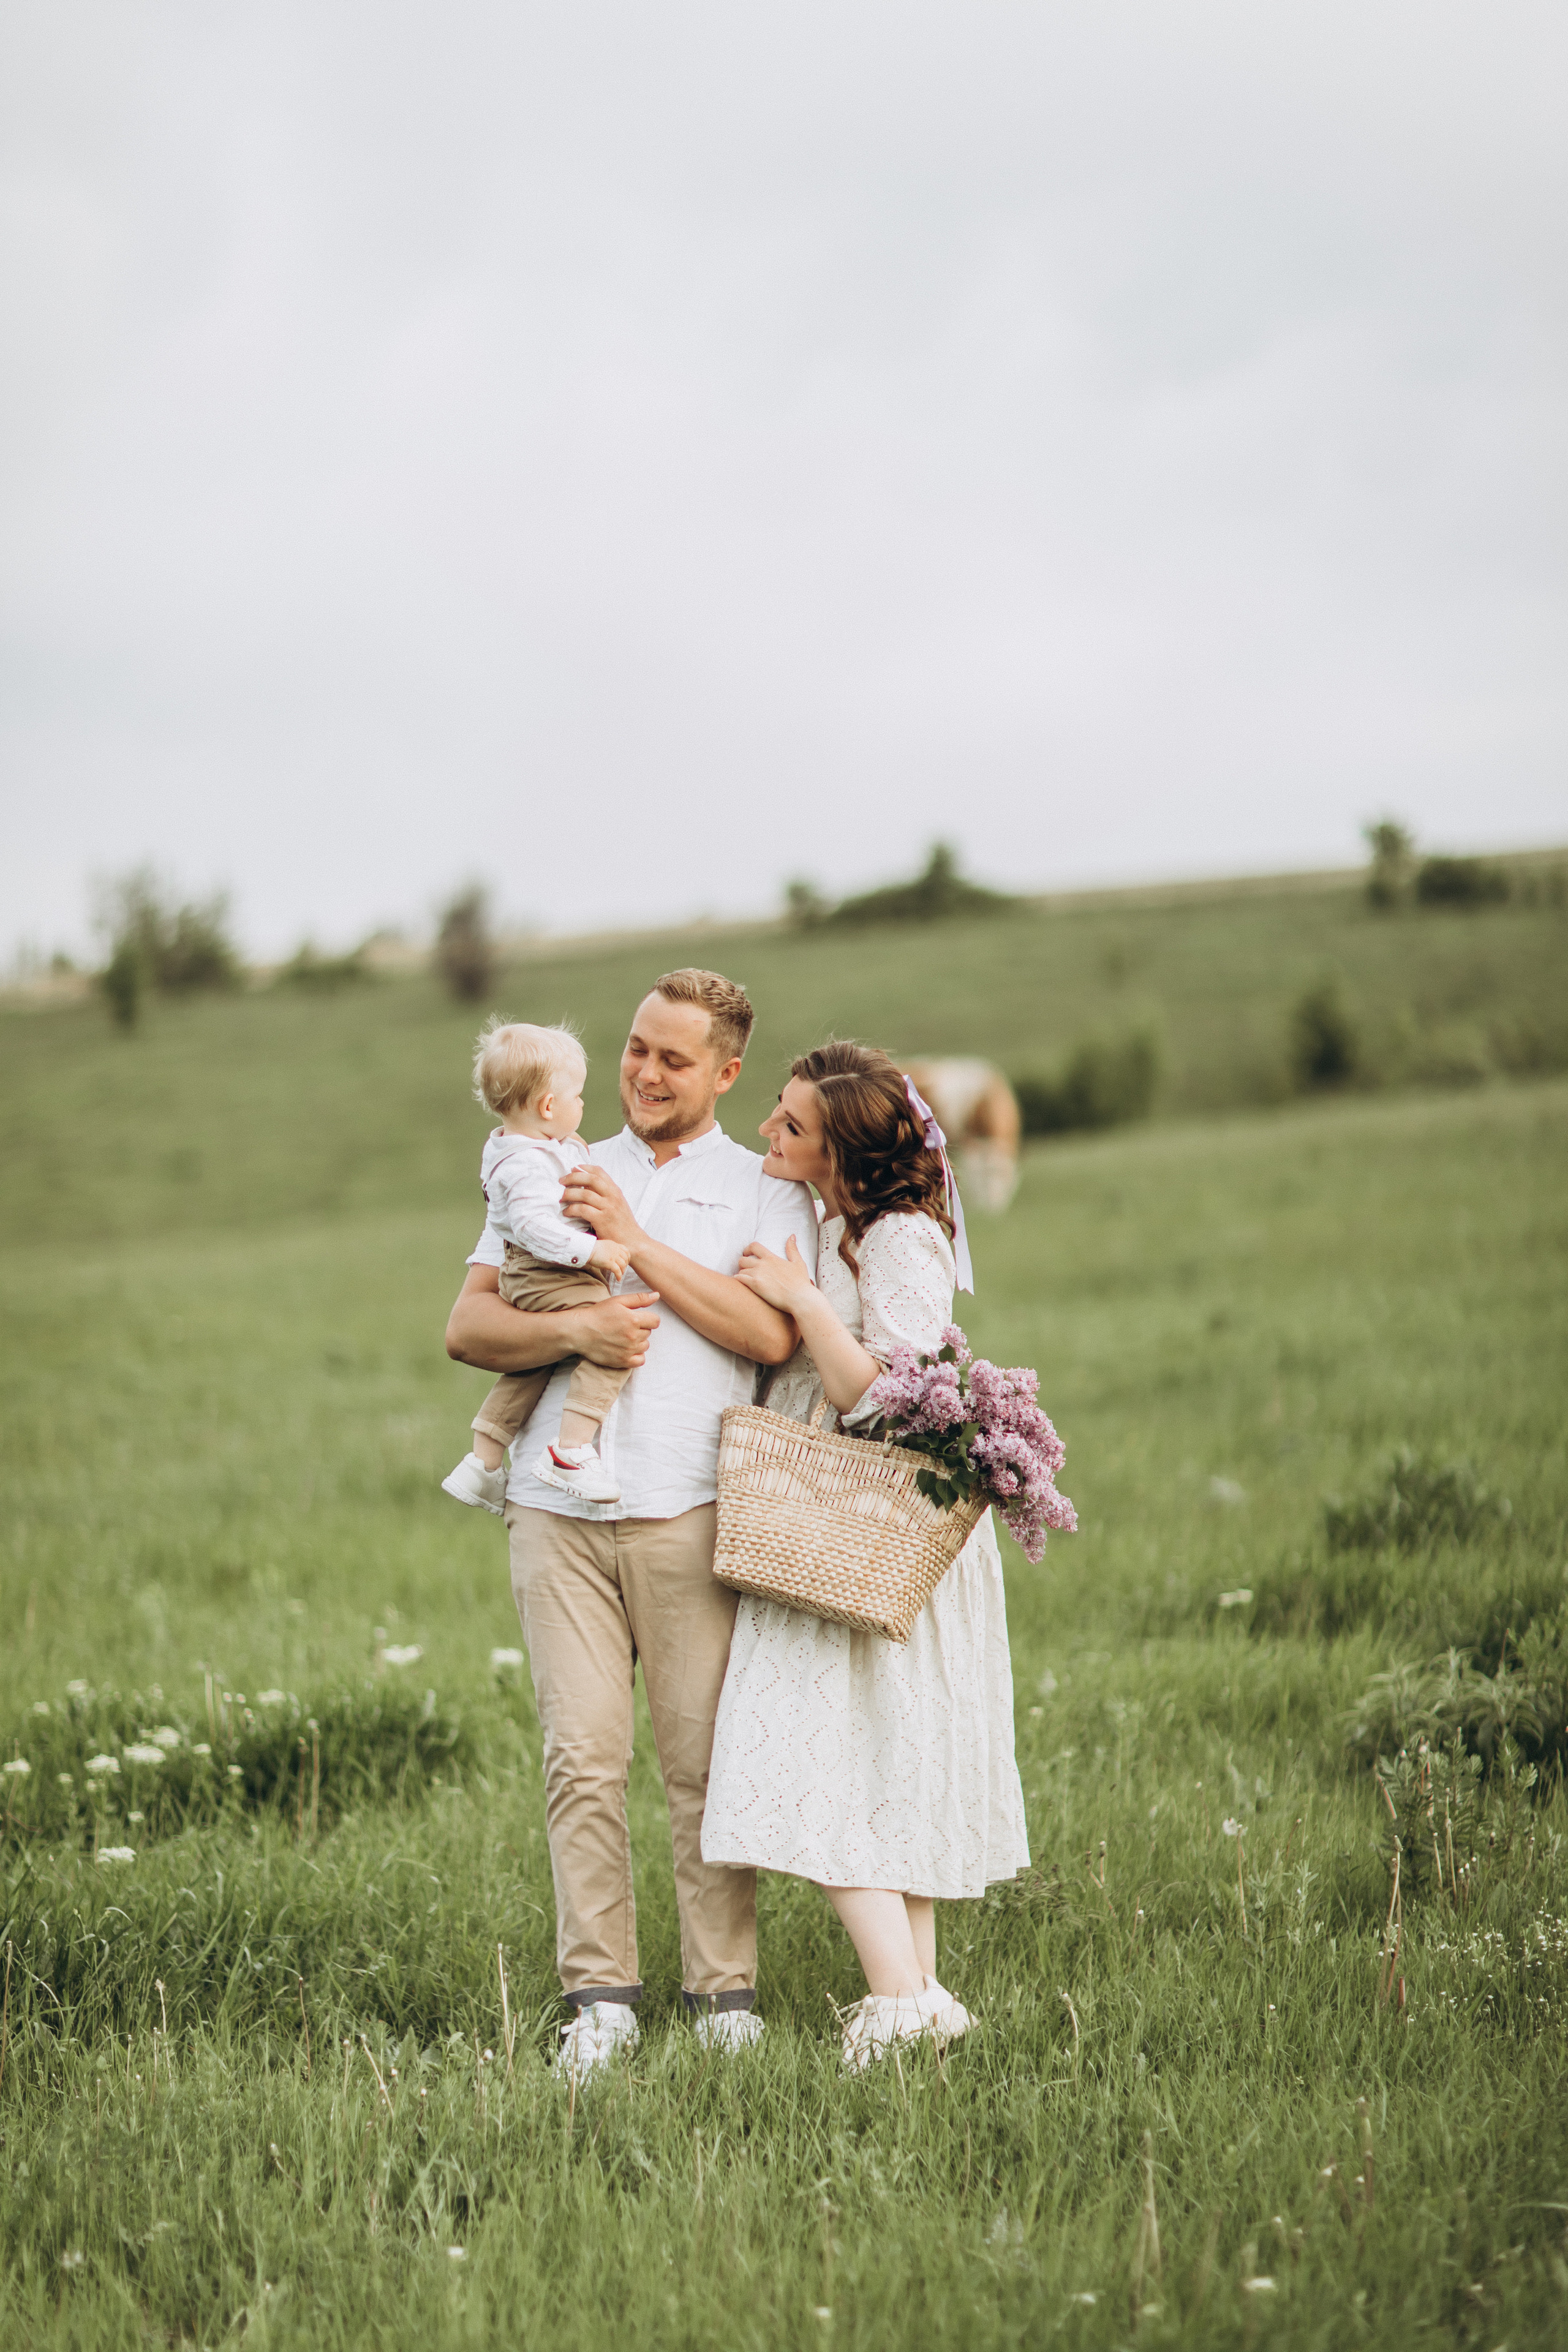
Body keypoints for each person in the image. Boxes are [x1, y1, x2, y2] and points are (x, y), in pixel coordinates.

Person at [444, 969, 820, 2076]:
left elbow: (771, 1336)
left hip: (692, 1509)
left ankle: (724, 1999)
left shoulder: (762, 1188)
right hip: (554, 1511)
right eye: (636, 1049)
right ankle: (600, 2001)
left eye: (673, 1059)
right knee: (581, 1760)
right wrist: (579, 1335)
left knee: (702, 1765)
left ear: (727, 1072)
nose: (645, 1073)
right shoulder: (550, 1159)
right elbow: (469, 1327)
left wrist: (636, 1245)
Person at [700, 1040, 1030, 2071]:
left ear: (842, 1151)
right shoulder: (836, 1224)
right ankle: (919, 2002)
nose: (769, 1129)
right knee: (878, 1764)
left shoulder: (901, 1241)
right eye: (778, 1110)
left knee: (808, 1758)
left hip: (869, 1523)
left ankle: (900, 2000)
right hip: (823, 1516)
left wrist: (802, 1304)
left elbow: (891, 1402)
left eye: (793, 1124)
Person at [441, 1019, 634, 1513]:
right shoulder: (524, 1166)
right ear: (549, 1107)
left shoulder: (528, 1147)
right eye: (578, 1097)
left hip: (534, 1274)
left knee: (535, 1359)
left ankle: (483, 1461)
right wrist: (592, 1252)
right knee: (615, 1338)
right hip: (548, 1271)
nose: (583, 1105)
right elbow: (533, 1228)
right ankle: (571, 1450)